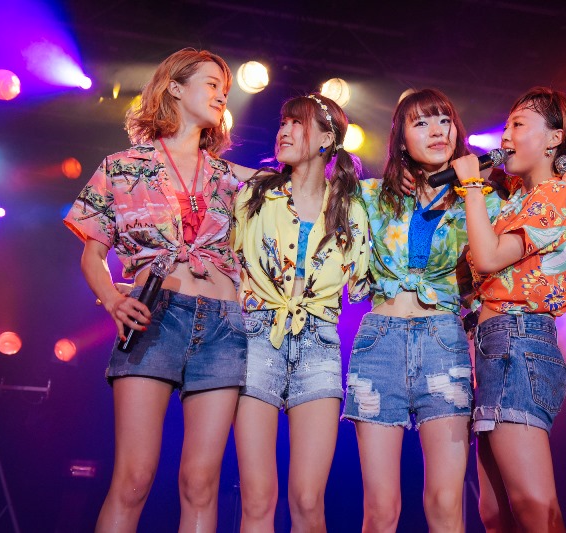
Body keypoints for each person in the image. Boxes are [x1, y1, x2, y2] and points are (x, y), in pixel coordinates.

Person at [342, 88, 566, 533]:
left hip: (485, 341)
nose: (437, 130)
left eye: (445, 120)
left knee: (513, 503)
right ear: (400, 138)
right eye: (421, 122)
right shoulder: (376, 196)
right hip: (459, 343)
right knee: (490, 512)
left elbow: (498, 247)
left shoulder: (496, 196)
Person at [64, 48, 247, 532]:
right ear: (175, 87)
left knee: (201, 483)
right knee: (134, 478)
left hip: (224, 327)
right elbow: (92, 255)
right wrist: (112, 299)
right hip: (154, 318)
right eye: (211, 84)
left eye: (225, 89)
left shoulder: (233, 178)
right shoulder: (122, 167)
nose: (221, 95)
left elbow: (303, 186)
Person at [451, 86, 566, 532]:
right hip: (491, 346)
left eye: (518, 124)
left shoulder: (556, 196)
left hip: (519, 342)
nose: (505, 135)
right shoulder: (516, 196)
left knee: (534, 507)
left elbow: (489, 257)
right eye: (506, 124)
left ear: (554, 138)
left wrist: (472, 186)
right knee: (495, 514)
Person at [233, 93, 370, 532]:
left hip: (320, 343)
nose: (284, 131)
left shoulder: (351, 208)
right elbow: (225, 262)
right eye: (283, 122)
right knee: (258, 497)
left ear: (328, 139)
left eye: (298, 123)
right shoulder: (254, 196)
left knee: (308, 500)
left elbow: (365, 284)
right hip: (257, 337)